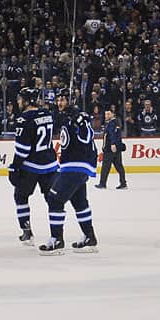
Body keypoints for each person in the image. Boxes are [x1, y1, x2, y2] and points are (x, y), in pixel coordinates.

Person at [38, 91, 97, 255]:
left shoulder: (80, 116)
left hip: (76, 165)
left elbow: (87, 137)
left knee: (54, 199)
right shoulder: (64, 117)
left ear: (70, 100)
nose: (59, 102)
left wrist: (78, 119)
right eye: (58, 100)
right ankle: (89, 237)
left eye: (62, 99)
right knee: (79, 203)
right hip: (72, 166)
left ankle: (57, 239)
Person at [10, 86, 57, 244]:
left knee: (20, 196)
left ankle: (27, 232)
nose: (18, 101)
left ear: (27, 101)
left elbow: (22, 150)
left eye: (20, 98)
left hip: (31, 166)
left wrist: (14, 166)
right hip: (50, 165)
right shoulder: (48, 114)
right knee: (51, 200)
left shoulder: (23, 119)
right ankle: (56, 234)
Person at [96, 107, 126, 189]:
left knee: (105, 167)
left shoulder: (112, 123)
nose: (106, 115)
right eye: (105, 114)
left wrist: (113, 144)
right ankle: (123, 183)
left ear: (113, 114)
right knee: (119, 166)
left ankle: (102, 183)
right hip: (115, 148)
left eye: (108, 114)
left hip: (110, 149)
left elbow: (112, 134)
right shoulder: (115, 123)